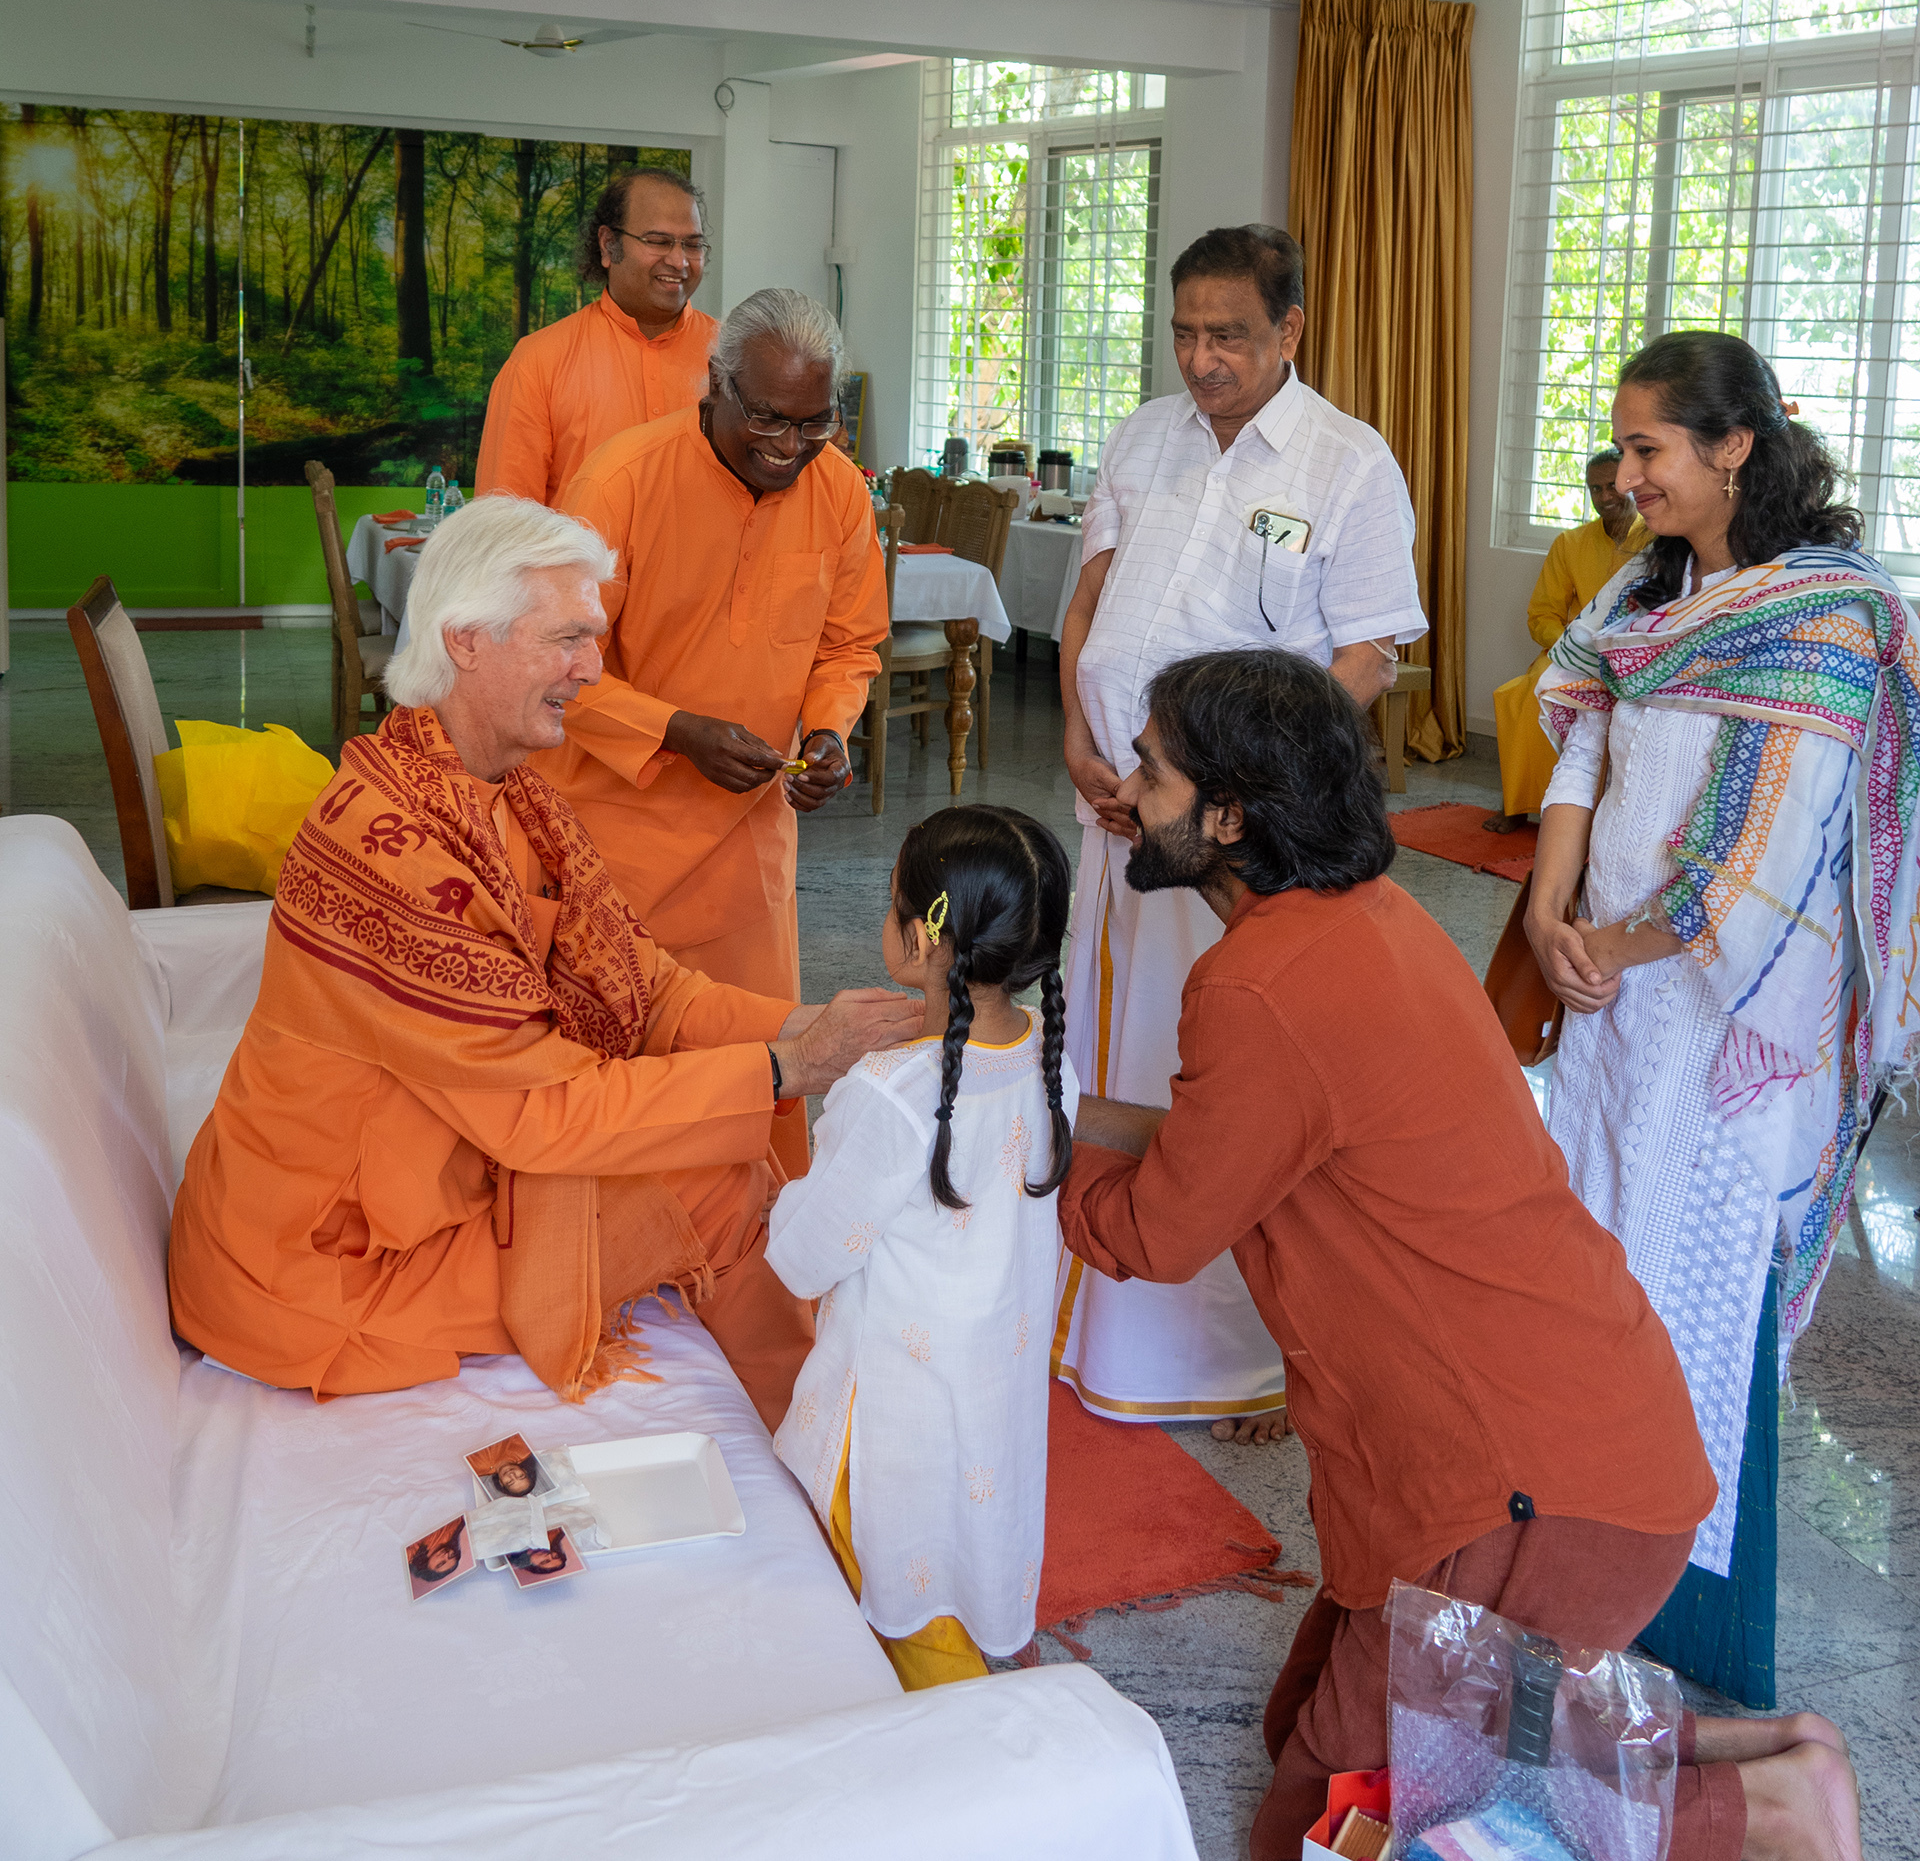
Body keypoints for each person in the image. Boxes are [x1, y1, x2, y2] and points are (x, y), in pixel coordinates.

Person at [1059, 645, 1862, 1861]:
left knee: (1320, 1832)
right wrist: (1059, 1114)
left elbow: (1155, 1230)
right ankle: (1751, 1753)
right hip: (1577, 1435)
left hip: (1529, 1487)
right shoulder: (1367, 920)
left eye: (1154, 772)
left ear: (1227, 817)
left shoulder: (1258, 985)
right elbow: (1239, 1148)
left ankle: (1758, 1818)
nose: (1128, 790)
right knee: (1303, 1739)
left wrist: (1006, 1155)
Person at [167, 497, 920, 1430]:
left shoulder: (506, 798)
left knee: (726, 1157)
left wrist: (810, 1031)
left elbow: (646, 988)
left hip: (424, 1189)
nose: (593, 671)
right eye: (567, 640)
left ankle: (818, 1422)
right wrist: (788, 1068)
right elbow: (541, 1114)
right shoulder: (392, 849)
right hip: (322, 1264)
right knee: (720, 1176)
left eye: (592, 639)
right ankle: (825, 1449)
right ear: (467, 642)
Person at [1530, 330, 1920, 1701]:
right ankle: (1578, 1567)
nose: (1625, 476)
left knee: (1694, 1293)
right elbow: (1583, 726)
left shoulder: (1820, 620)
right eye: (1626, 448)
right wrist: (1547, 905)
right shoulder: (1650, 589)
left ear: (1733, 447)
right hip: (1612, 992)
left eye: (1649, 451)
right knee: (1596, 1261)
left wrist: (1618, 944)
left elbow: (1755, 854)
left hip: (1727, 1012)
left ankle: (1689, 1617)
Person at [1054, 223, 1426, 1442]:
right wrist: (1075, 729)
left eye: (1228, 336)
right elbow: (1092, 599)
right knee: (1103, 1032)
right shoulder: (1146, 435)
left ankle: (1220, 1352)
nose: (1201, 359)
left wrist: (1240, 784)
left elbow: (1366, 650)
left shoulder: (1346, 463)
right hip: (1117, 801)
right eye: (1184, 333)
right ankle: (1087, 1306)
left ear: (1290, 333)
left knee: (1211, 1068)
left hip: (1228, 832)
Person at [540, 288, 888, 1181]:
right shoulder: (618, 483)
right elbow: (554, 663)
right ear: (716, 386)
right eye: (768, 418)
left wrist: (829, 733)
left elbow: (851, 645)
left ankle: (751, 1276)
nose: (789, 446)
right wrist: (676, 731)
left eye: (816, 423)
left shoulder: (839, 490)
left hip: (747, 852)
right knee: (619, 1079)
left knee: (758, 1076)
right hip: (613, 846)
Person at [766, 806, 1078, 1690]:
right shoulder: (1048, 1052)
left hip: (893, 1415)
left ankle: (975, 1787)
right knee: (956, 1568)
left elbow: (804, 1258)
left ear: (923, 937)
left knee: (902, 1608)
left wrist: (772, 1196)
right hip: (992, 1396)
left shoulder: (892, 1089)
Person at [475, 167, 718, 509]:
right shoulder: (538, 362)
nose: (679, 261)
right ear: (608, 245)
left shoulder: (734, 357)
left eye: (692, 245)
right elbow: (505, 524)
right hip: (584, 564)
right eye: (658, 241)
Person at [1484, 445, 1644, 833]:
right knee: (1526, 695)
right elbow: (1541, 615)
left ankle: (1596, 815)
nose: (1605, 497)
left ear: (1631, 483)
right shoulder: (1569, 543)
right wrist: (1570, 644)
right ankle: (1518, 804)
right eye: (1595, 489)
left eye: (1612, 486)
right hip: (1569, 652)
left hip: (1632, 653)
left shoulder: (1659, 540)